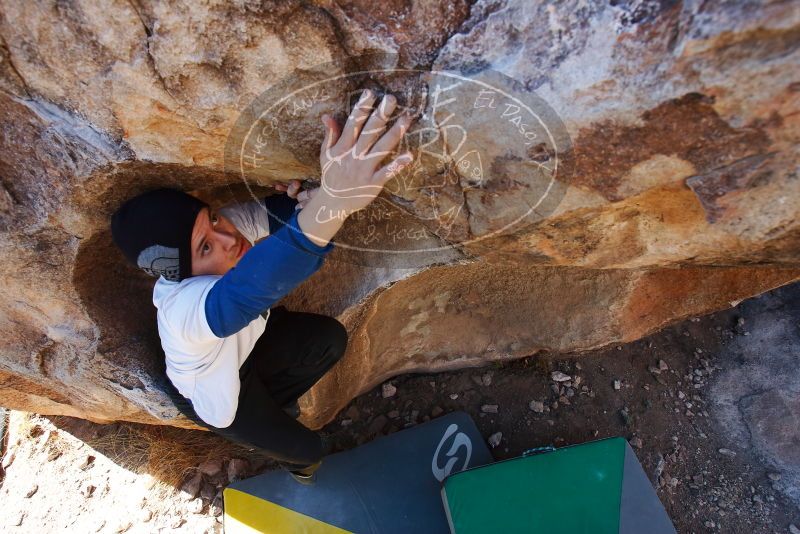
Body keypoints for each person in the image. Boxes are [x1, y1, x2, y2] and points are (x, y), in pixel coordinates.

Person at [110, 90, 414, 482]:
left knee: (328, 340)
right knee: (308, 449)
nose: (228, 239)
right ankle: (297, 464)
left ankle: (277, 408)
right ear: (181, 271)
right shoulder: (182, 310)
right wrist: (334, 199)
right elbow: (252, 286)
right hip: (220, 394)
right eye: (205, 247)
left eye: (214, 219)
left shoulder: (227, 230)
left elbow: (295, 225)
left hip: (245, 347)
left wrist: (313, 195)